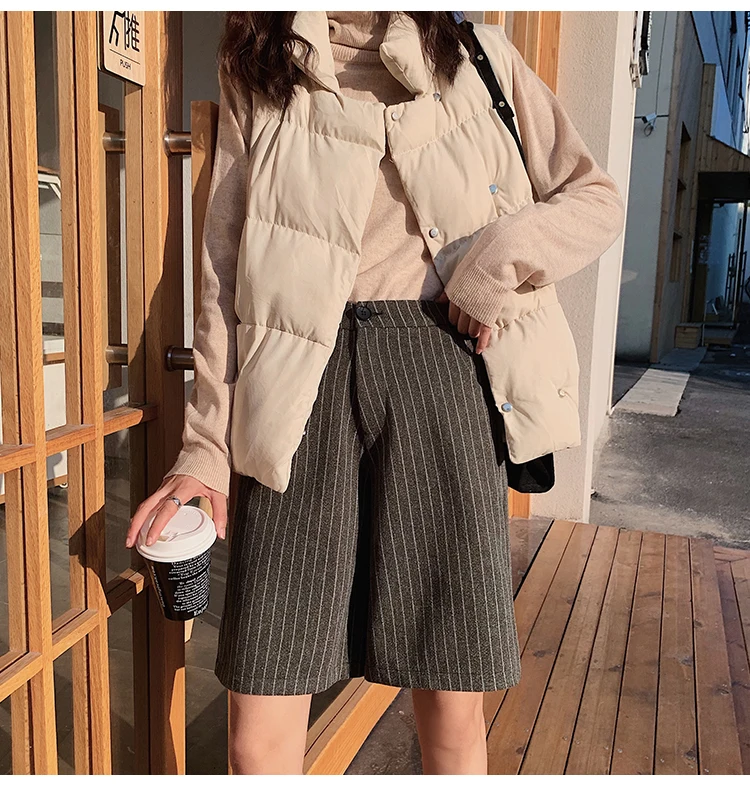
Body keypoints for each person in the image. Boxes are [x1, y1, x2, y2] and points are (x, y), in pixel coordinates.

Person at [126, 11, 625, 775]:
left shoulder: (479, 56)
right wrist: (204, 447)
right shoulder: (259, 64)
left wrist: (495, 261)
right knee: (259, 718)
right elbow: (224, 268)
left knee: (451, 706)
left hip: (442, 373)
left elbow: (594, 197)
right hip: (294, 387)